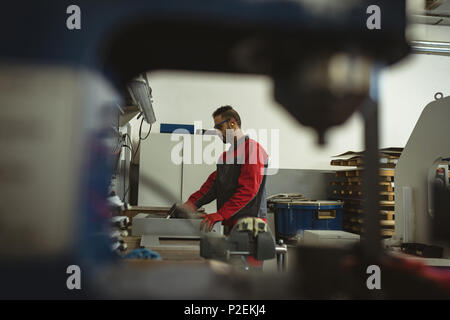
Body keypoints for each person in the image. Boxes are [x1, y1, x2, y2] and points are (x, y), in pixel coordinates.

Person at [182, 105, 268, 268]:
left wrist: (220, 214)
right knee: (229, 275)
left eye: (219, 127)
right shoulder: (227, 155)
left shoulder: (253, 150)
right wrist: (191, 204)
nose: (217, 132)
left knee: (247, 278)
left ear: (232, 124)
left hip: (250, 226)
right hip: (230, 223)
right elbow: (213, 185)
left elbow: (249, 190)